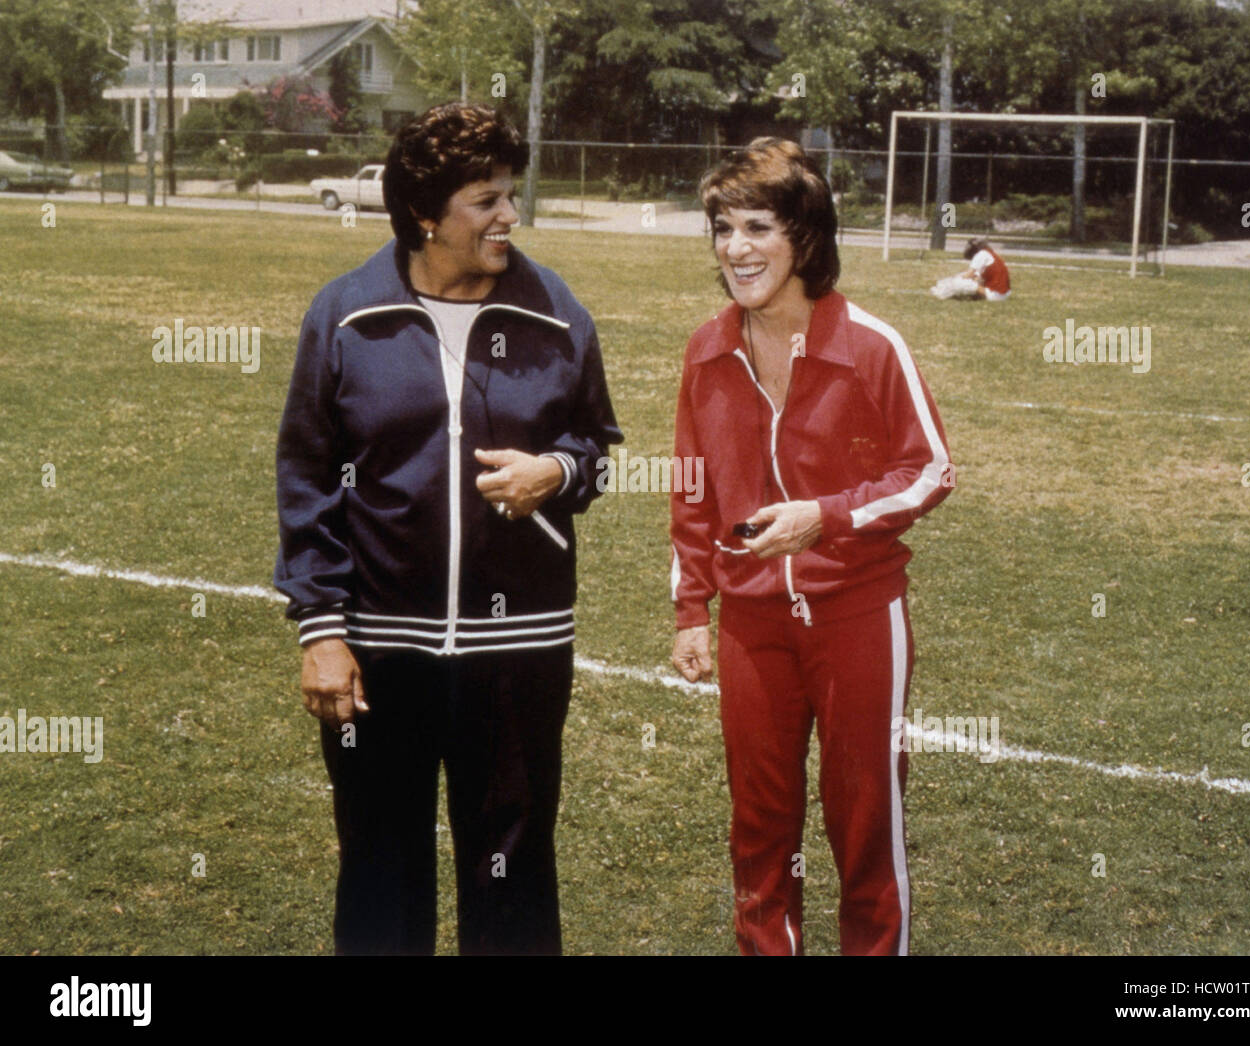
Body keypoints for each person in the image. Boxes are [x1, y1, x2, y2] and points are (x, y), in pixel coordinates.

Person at [273, 102, 621, 955]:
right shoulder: (348, 315)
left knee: (513, 866)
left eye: (510, 194)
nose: (510, 216)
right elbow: (308, 475)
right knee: (380, 869)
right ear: (425, 213)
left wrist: (558, 472)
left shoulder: (556, 310)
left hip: (521, 648)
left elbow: (598, 449)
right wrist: (322, 631)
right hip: (378, 649)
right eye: (485, 200)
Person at [670, 138, 952, 955]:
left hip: (858, 617)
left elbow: (929, 469)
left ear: (805, 237)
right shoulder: (705, 349)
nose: (736, 247)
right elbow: (691, 488)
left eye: (758, 226)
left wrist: (824, 517)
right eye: (723, 227)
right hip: (751, 628)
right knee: (759, 830)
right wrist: (693, 608)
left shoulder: (870, 344)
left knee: (865, 825)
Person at [930, 236, 1011, 300]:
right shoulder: (990, 253)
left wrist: (954, 280)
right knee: (966, 279)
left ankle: (941, 293)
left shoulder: (982, 254)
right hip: (1004, 294)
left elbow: (969, 275)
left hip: (996, 295)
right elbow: (976, 276)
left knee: (960, 281)